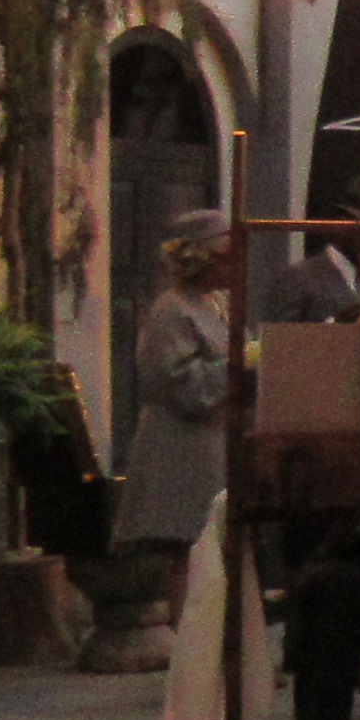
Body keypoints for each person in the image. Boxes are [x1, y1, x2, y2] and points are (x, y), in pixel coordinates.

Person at [108, 209, 236, 593]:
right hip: (182, 450)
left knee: (214, 553)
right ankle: (186, 630)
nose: (236, 265)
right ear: (199, 259)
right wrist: (239, 363)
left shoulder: (219, 303)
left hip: (214, 444)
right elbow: (179, 384)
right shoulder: (172, 309)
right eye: (227, 256)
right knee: (190, 554)